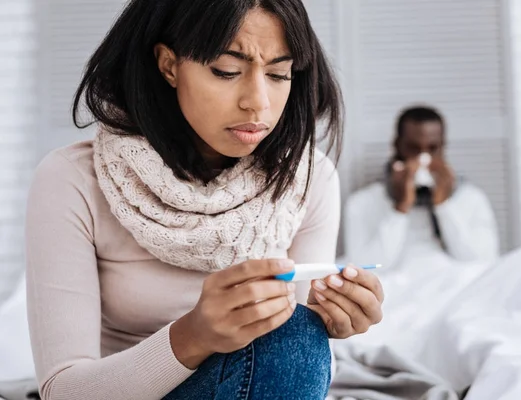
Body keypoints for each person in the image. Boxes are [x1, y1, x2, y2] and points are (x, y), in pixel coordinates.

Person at [25, 1, 384, 399]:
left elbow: (284, 367)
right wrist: (193, 336)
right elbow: (62, 392)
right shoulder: (73, 180)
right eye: (227, 71)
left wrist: (327, 322)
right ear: (169, 65)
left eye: (279, 74)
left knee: (293, 332)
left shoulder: (308, 179)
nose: (259, 102)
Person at [342, 106, 499, 269]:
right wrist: (400, 209)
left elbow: (483, 263)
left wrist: (444, 206)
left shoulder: (471, 198)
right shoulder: (362, 203)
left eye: (433, 149)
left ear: (443, 147)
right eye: (413, 149)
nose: (423, 159)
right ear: (397, 146)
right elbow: (366, 268)